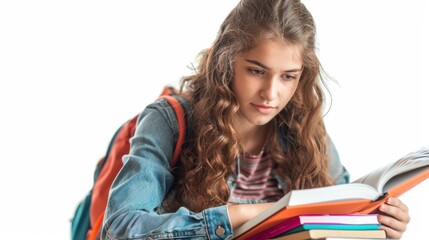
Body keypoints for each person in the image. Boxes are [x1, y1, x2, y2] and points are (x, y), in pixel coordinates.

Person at [101, 0, 410, 239]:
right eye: (256, 71)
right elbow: (120, 227)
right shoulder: (168, 121)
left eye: (288, 77)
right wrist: (253, 213)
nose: (271, 94)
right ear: (226, 61)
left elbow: (340, 207)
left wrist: (379, 225)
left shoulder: (302, 126)